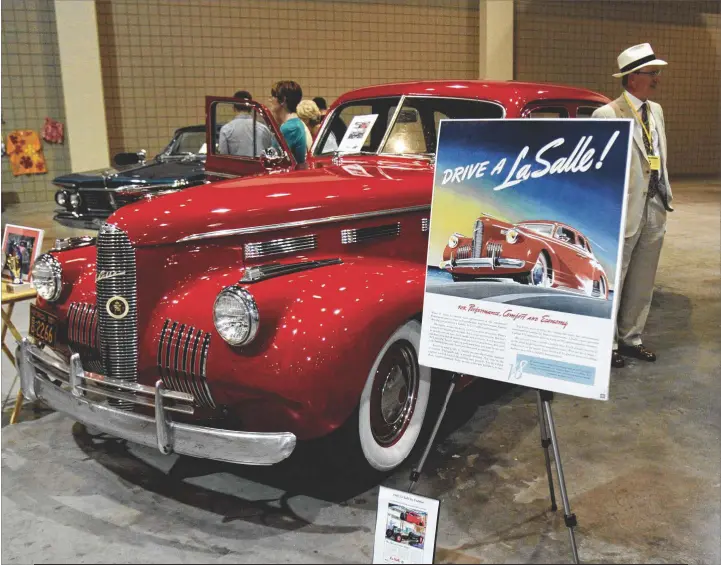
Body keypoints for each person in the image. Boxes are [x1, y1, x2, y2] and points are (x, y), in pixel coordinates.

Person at [592, 43, 674, 368]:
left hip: (655, 206)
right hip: (624, 211)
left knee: (643, 279)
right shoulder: (608, 114)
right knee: (616, 279)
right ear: (633, 77)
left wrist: (666, 195)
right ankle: (607, 343)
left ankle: (631, 338)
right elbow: (601, 170)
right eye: (652, 73)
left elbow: (660, 155)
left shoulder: (656, 111)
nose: (657, 78)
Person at [218, 90, 274, 157]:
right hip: (259, 167)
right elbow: (270, 153)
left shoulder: (226, 129)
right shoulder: (264, 128)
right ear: (251, 107)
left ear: (234, 108)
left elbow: (223, 156)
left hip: (237, 167)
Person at [269, 81, 307, 164]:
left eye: (273, 96)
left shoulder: (290, 128)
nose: (270, 99)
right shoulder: (295, 123)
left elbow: (271, 158)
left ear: (283, 99)